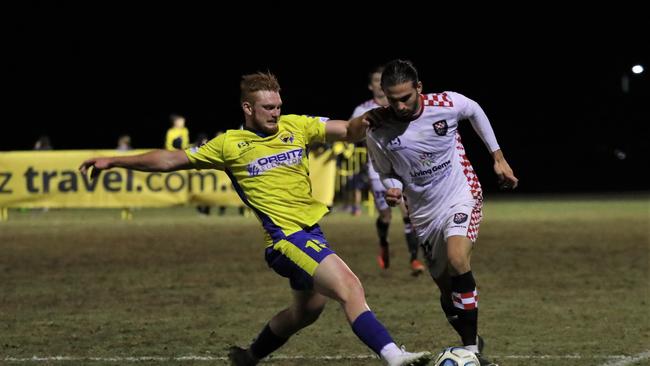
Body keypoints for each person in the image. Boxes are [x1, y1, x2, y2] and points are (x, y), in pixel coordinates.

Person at [79, 71, 431, 366]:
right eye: (267, 107)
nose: (276, 113)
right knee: (350, 287)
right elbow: (170, 160)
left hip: (310, 233)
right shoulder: (229, 144)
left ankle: (249, 357)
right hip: (285, 239)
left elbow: (348, 130)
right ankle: (393, 355)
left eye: (278, 106)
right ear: (247, 108)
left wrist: (369, 119)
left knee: (306, 312)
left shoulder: (297, 126)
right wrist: (114, 160)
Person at [365, 60, 519, 366]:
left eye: (406, 98)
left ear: (419, 88)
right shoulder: (378, 130)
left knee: (457, 258)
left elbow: (474, 109)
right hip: (423, 212)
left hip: (461, 194)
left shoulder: (445, 104)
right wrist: (392, 187)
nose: (400, 106)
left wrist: (498, 157)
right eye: (392, 99)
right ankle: (471, 341)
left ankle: (472, 351)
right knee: (445, 288)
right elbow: (386, 172)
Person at [351, 65, 425, 275]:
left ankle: (414, 260)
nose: (377, 85)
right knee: (386, 216)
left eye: (379, 80)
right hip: (378, 170)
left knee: (408, 214)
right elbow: (351, 134)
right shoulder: (362, 110)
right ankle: (383, 242)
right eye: (374, 80)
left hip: (404, 168)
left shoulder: (400, 108)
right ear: (370, 85)